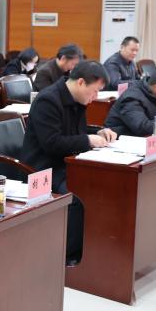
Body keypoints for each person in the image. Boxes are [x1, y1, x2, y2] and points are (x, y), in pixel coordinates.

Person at [21, 60, 117, 267]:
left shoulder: (77, 99)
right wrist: (87, 140)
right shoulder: (48, 100)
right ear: (81, 82)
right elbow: (52, 143)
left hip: (68, 163)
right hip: (43, 168)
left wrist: (98, 132)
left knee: (104, 187)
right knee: (80, 197)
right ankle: (66, 257)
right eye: (94, 91)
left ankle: (96, 249)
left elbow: (75, 132)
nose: (95, 98)